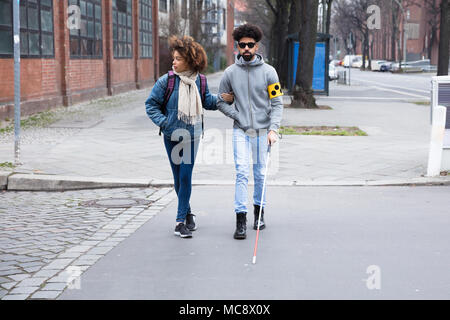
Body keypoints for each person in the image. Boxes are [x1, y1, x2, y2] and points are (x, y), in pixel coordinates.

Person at [145, 36, 234, 238]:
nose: (173, 62)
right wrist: (165, 122)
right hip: (171, 135)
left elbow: (207, 102)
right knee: (178, 178)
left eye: (178, 59)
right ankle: (188, 213)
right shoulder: (166, 81)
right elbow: (150, 105)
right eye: (173, 58)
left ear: (190, 60)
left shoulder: (199, 81)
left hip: (191, 135)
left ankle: (179, 222)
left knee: (185, 176)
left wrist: (222, 99)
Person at [217, 24, 283, 240]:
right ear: (237, 46)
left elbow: (277, 103)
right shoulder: (229, 73)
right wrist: (236, 116)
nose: (246, 48)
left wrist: (274, 129)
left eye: (250, 45)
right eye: (242, 45)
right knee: (242, 173)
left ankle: (259, 215)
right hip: (241, 131)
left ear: (257, 46)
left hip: (263, 131)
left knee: (260, 173)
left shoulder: (269, 72)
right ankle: (241, 220)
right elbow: (221, 101)